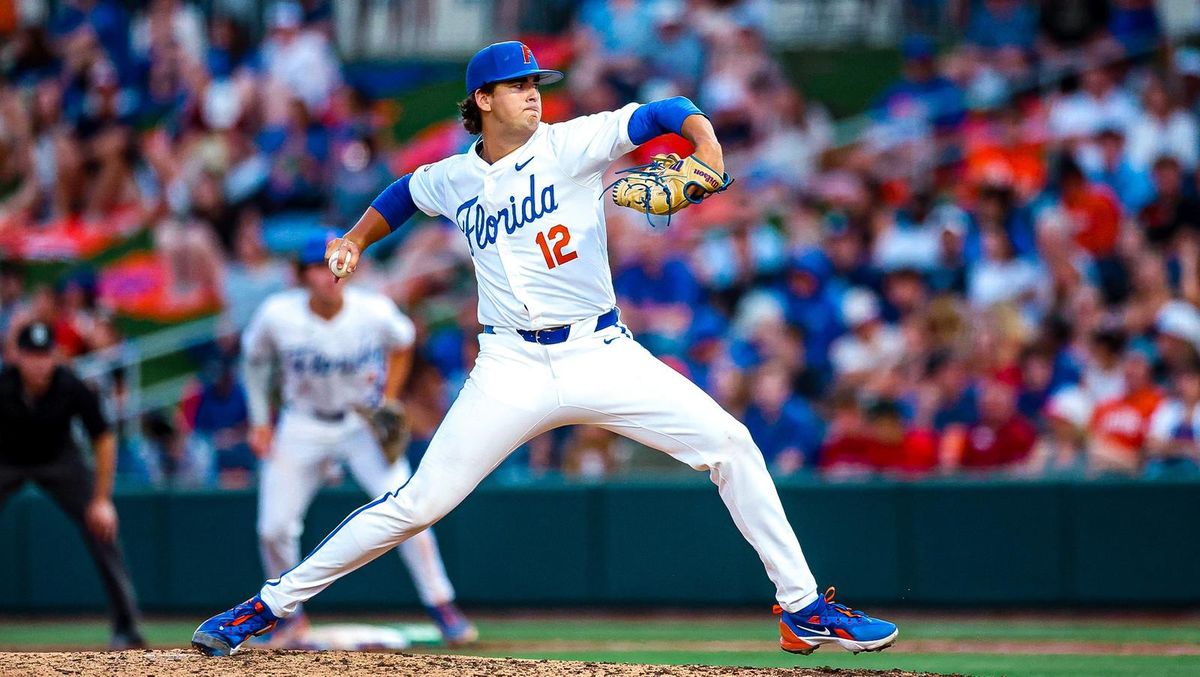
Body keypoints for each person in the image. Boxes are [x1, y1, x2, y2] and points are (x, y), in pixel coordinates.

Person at [192, 40, 896, 658]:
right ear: (483, 99)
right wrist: (353, 238)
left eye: (538, 83)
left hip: (600, 350)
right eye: (521, 85)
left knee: (732, 444)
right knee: (415, 503)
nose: (535, 93)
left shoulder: (571, 142)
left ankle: (802, 608)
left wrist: (704, 147)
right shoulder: (456, 176)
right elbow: (406, 192)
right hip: (509, 367)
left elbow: (666, 109)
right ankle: (266, 606)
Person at [235, 234, 476, 646]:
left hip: (360, 424)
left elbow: (403, 344)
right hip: (303, 424)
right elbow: (254, 361)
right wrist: (260, 420)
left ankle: (442, 605)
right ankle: (288, 617)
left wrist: (387, 397)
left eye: (334, 264)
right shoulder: (278, 315)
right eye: (317, 266)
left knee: (409, 509)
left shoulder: (373, 309)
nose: (327, 274)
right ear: (301, 275)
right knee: (273, 528)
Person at [0, 322, 144, 649]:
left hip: (60, 460)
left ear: (55, 357)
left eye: (44, 355)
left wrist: (102, 499)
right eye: (31, 355)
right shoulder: (4, 385)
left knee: (102, 527)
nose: (38, 362)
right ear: (17, 357)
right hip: (7, 459)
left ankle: (127, 627)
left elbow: (104, 438)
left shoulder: (70, 386)